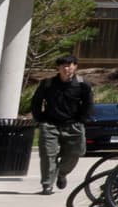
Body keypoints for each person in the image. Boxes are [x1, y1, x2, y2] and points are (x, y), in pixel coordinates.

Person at [28, 62, 93, 193]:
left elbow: (88, 103)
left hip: (73, 124)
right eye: (63, 66)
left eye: (69, 65)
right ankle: (47, 184)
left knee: (76, 152)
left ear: (75, 67)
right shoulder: (48, 83)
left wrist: (82, 119)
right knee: (47, 155)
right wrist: (40, 119)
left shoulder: (82, 84)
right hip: (50, 124)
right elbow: (36, 102)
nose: (66, 68)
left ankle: (61, 173)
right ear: (58, 68)